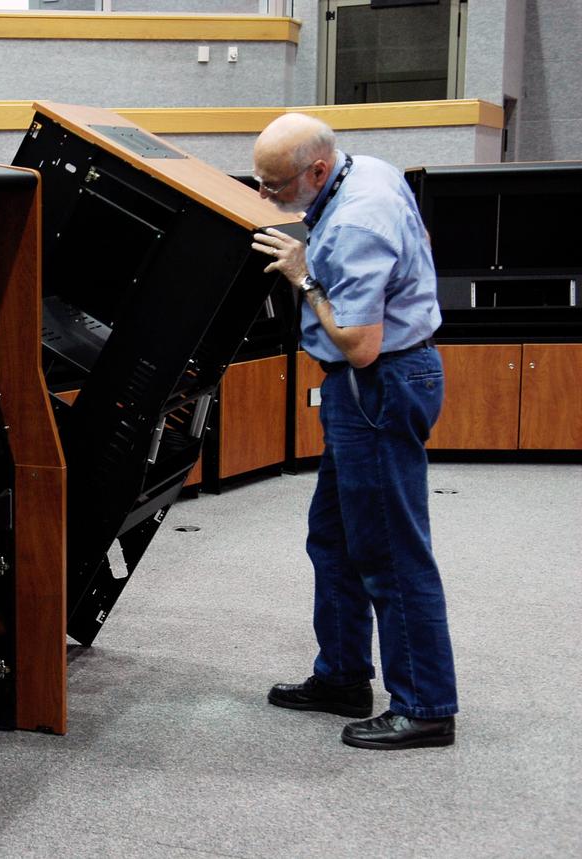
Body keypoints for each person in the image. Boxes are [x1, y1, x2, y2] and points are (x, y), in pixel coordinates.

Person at [249, 113, 459, 750]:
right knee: (334, 538)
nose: (265, 197)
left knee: (390, 552)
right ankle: (341, 675)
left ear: (316, 170)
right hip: (379, 383)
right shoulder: (366, 169)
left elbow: (359, 345)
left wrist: (303, 275)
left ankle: (425, 705)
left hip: (379, 383)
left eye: (275, 186)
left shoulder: (356, 222)